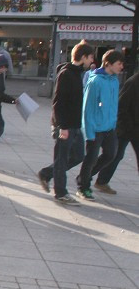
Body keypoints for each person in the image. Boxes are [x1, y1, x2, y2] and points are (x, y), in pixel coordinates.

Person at [37, 41, 95, 204]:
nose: (92, 61)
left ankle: (47, 173)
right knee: (62, 158)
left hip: (75, 124)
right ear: (83, 57)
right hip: (65, 126)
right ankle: (61, 192)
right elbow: (58, 102)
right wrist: (61, 126)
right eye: (90, 57)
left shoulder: (78, 73)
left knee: (78, 156)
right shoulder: (67, 74)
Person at [76, 50, 125, 201]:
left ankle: (84, 176)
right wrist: (89, 132)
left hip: (110, 127)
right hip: (95, 128)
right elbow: (87, 109)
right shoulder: (95, 81)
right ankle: (83, 187)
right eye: (119, 64)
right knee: (91, 158)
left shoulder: (115, 81)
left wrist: (114, 123)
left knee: (111, 154)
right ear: (108, 63)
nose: (122, 67)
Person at [94, 69, 139, 193]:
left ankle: (100, 181)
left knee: (115, 155)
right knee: (115, 155)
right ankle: (98, 180)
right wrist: (129, 124)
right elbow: (122, 105)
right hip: (125, 128)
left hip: (135, 128)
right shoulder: (133, 82)